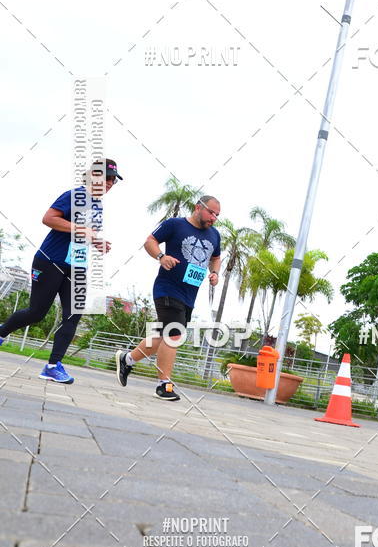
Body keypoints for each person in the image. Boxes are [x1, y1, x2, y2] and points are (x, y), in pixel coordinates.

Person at [0, 159, 122, 383]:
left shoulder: (97, 205)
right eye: (105, 178)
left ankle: (53, 366)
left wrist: (96, 242)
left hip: (77, 265)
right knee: (37, 313)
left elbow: (82, 234)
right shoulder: (73, 195)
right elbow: (49, 218)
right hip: (50, 260)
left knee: (74, 315)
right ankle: (2, 332)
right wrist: (82, 229)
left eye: (113, 180)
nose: (109, 183)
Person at [116, 196, 221, 400]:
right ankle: (164, 384)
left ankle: (127, 359)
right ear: (198, 208)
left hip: (189, 295)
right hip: (167, 288)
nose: (214, 218)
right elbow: (150, 241)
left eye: (217, 215)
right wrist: (161, 257)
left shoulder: (215, 235)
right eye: (211, 212)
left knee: (161, 336)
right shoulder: (175, 224)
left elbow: (215, 257)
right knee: (174, 334)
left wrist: (215, 273)